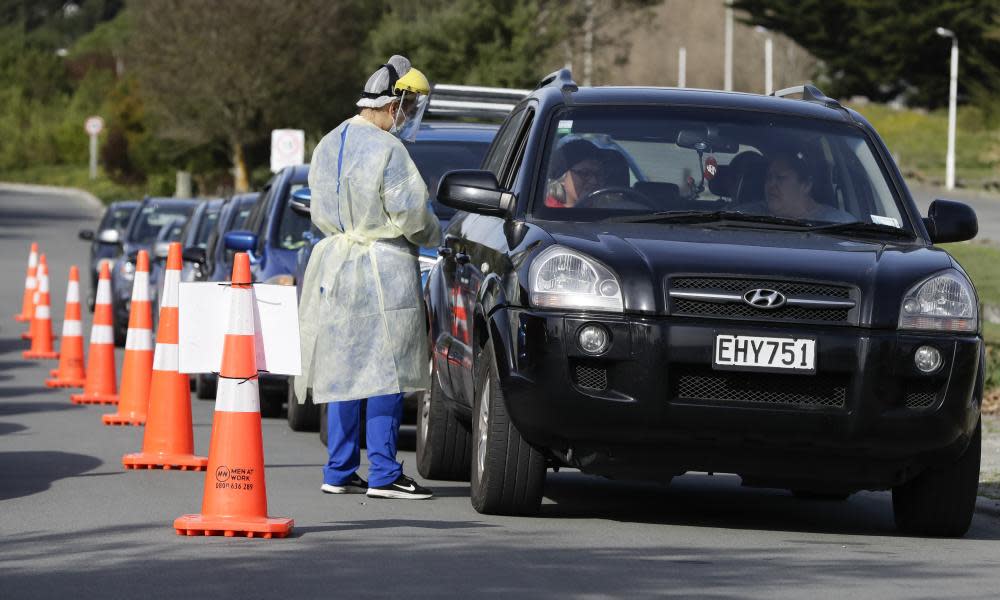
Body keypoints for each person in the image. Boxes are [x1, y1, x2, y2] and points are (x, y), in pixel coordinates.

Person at [298, 55, 439, 500]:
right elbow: (412, 213)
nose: (410, 114)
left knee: (344, 369)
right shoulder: (388, 149)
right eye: (409, 104)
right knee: (386, 372)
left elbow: (320, 206)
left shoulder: (328, 142)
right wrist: (437, 234)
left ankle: (338, 469)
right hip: (383, 268)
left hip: (335, 267)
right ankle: (383, 472)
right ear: (393, 103)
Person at [764, 148, 853, 222]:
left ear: (806, 185)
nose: (771, 184)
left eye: (780, 178)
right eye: (768, 177)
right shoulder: (753, 215)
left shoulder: (838, 223)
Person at [544, 139, 609, 208]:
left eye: (599, 174)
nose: (594, 181)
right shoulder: (549, 212)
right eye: (585, 173)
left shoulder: (610, 209)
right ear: (562, 176)